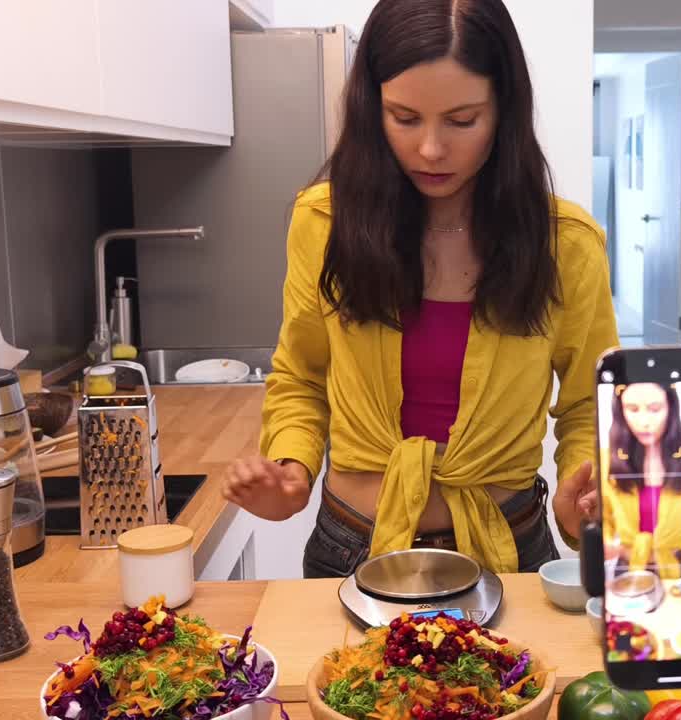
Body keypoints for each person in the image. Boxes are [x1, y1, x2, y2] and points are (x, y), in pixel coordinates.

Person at [222, 0, 618, 578]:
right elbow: (302, 376)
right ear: (371, 108)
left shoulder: (567, 244)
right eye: (405, 118)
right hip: (352, 547)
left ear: (504, 112)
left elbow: (587, 404)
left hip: (507, 548)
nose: (431, 149)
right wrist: (291, 471)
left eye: (462, 121)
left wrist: (581, 494)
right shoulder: (325, 222)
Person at [601, 383, 681, 580]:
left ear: (670, 409)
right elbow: (603, 517)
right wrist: (605, 542)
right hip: (628, 567)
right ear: (620, 411)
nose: (644, 421)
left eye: (654, 409)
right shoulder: (607, 462)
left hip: (678, 568)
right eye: (633, 409)